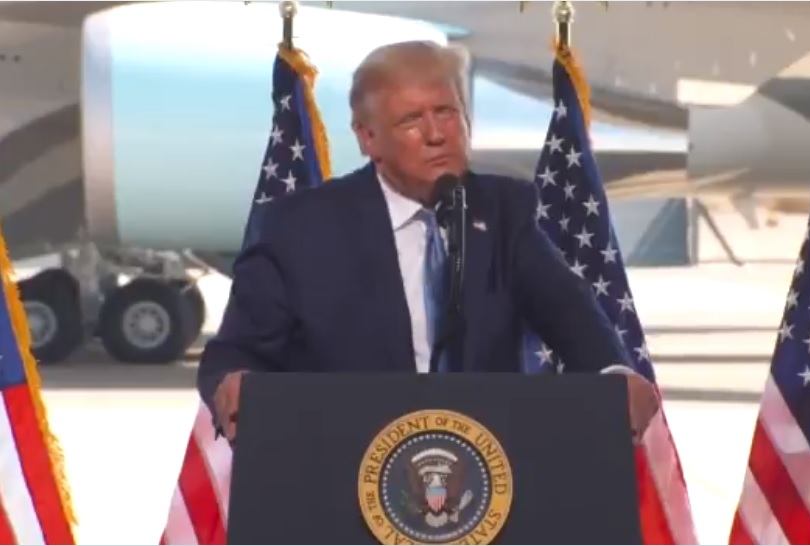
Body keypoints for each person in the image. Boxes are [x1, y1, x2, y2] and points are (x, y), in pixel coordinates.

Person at [198, 40, 659, 443]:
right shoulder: (301, 228)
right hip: (344, 463)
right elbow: (236, 352)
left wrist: (616, 375)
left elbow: (575, 320)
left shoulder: (502, 212)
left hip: (484, 468)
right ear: (368, 138)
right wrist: (234, 383)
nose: (437, 135)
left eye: (446, 113)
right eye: (412, 120)